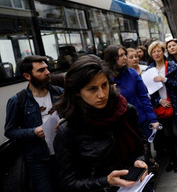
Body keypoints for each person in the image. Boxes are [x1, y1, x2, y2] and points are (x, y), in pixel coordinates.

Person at [53, 55, 150, 192]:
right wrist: (105, 181)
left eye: (104, 85)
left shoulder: (126, 110)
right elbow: (68, 182)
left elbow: (142, 142)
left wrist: (141, 160)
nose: (102, 94)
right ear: (77, 92)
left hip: (138, 185)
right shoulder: (68, 130)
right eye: (92, 89)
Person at [5, 55, 63, 192]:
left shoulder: (59, 93)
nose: (48, 72)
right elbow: (10, 131)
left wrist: (65, 122)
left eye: (47, 69)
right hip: (38, 161)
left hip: (63, 155)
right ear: (27, 76)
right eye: (41, 70)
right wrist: (33, 132)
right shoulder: (18, 101)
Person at [147, 41, 177, 172]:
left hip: (175, 104)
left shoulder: (171, 66)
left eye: (159, 51)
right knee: (167, 136)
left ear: (163, 52)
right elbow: (148, 91)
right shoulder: (149, 71)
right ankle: (172, 160)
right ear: (151, 54)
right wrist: (159, 101)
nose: (157, 53)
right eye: (154, 52)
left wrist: (164, 79)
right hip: (161, 107)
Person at [104, 44, 159, 139]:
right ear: (112, 58)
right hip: (121, 125)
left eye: (125, 54)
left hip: (140, 121)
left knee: (145, 151)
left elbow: (144, 97)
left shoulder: (132, 73)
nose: (125, 58)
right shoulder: (105, 79)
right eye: (121, 55)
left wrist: (152, 118)